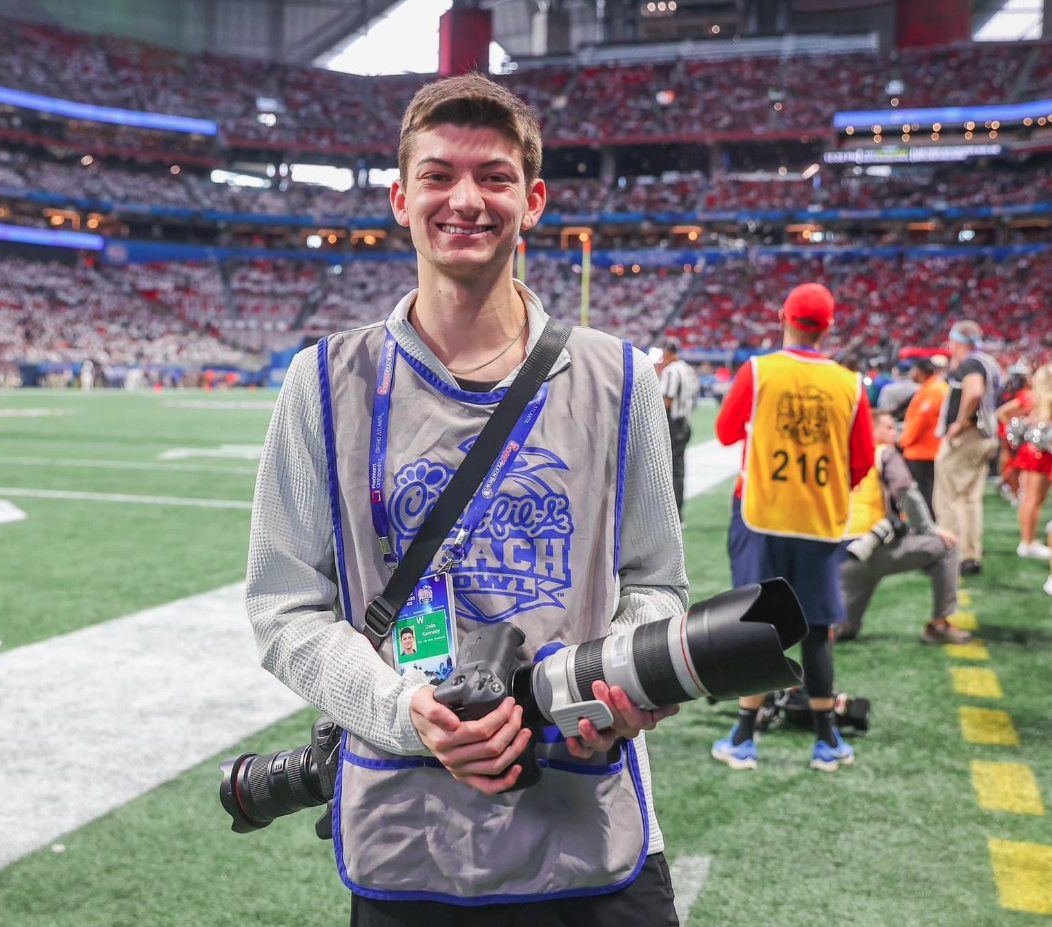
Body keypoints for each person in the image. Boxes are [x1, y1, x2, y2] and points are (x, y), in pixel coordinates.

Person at [245, 73, 687, 926]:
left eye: (494, 176)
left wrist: (615, 683)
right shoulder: (322, 381)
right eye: (440, 174)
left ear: (535, 200)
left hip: (588, 830)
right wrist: (407, 712)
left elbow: (656, 582)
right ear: (399, 196)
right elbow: (283, 608)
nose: (466, 199)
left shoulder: (621, 377)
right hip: (409, 839)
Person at [710, 282, 874, 773]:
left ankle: (743, 738)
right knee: (818, 630)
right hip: (820, 522)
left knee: (759, 627)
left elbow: (723, 432)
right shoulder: (850, 383)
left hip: (760, 514)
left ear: (784, 316)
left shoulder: (758, 370)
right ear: (828, 327)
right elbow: (862, 462)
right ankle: (827, 742)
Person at [836, 410, 967, 645]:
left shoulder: (838, 453)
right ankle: (939, 625)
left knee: (844, 629)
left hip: (842, 553)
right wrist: (929, 529)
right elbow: (905, 491)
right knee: (947, 547)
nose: (893, 431)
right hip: (875, 546)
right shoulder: (883, 453)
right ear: (870, 429)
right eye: (887, 427)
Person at [933, 321, 1002, 576]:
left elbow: (973, 392)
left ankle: (950, 554)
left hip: (969, 436)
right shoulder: (988, 361)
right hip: (984, 436)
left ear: (956, 342)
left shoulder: (971, 363)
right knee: (969, 499)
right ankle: (969, 555)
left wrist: (960, 423)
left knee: (949, 496)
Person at [1000, 363, 1052, 561]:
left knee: (1028, 498)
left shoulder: (1032, 398)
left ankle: (1026, 540)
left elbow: (1004, 414)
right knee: (1034, 500)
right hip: (1042, 453)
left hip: (1028, 451)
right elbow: (1003, 413)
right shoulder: (1045, 400)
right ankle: (1028, 542)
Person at [899, 356, 948, 519]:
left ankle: (926, 526)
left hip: (924, 451)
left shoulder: (934, 390)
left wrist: (904, 441)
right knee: (926, 491)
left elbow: (921, 421)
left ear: (919, 372)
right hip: (926, 449)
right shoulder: (932, 387)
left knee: (923, 493)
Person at [660, 338, 699, 522]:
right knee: (679, 470)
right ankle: (678, 512)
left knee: (668, 469)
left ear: (667, 352)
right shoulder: (687, 369)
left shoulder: (671, 370)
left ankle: (670, 514)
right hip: (685, 422)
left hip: (672, 424)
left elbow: (667, 400)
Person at [995, 363, 1032, 506]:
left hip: (1011, 430)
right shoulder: (1024, 395)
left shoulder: (1012, 391)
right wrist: (1013, 427)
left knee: (1013, 461)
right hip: (1013, 432)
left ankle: (1006, 483)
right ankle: (1006, 482)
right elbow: (1001, 412)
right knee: (1014, 462)